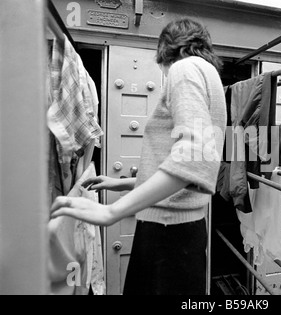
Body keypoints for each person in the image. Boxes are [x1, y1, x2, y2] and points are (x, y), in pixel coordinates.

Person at [51, 18, 227, 295]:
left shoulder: (185, 67)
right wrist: (118, 183)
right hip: (186, 230)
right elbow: (186, 173)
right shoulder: (209, 77)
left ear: (168, 49)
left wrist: (112, 211)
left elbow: (192, 159)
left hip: (167, 231)